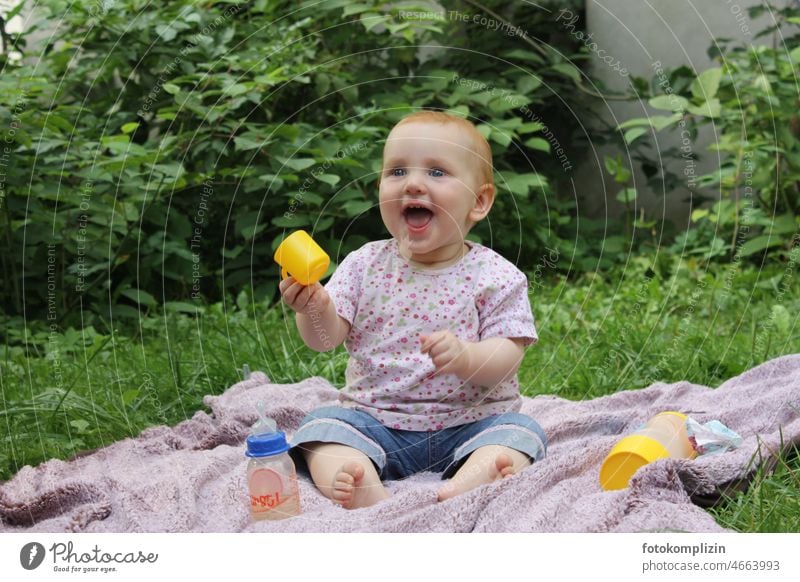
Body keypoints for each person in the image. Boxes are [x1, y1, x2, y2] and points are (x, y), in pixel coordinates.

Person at [278, 110, 546, 509]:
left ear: (480, 201)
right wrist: (313, 307)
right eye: (397, 171)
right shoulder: (363, 264)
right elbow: (324, 340)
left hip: (472, 422)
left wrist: (466, 357)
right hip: (376, 420)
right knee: (320, 429)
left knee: (521, 433)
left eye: (437, 173)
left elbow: (508, 355)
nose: (414, 184)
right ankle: (355, 476)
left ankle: (475, 477)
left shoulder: (496, 275)